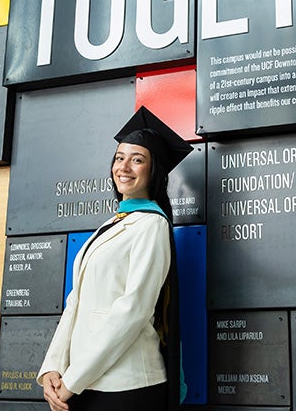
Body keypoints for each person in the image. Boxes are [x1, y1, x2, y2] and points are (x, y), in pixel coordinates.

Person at [37, 106, 191, 411]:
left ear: (154, 171)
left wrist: (73, 380)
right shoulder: (111, 225)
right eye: (119, 158)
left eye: (137, 160)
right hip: (84, 382)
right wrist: (53, 367)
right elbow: (76, 302)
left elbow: (132, 311)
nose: (124, 167)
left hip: (126, 386)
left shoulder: (152, 225)